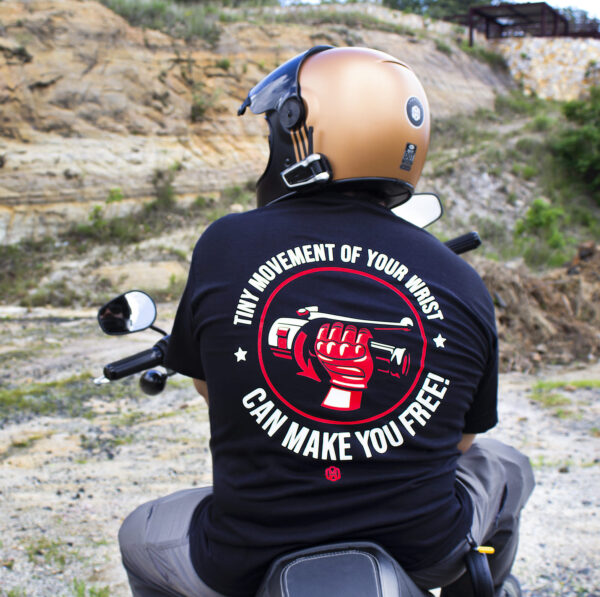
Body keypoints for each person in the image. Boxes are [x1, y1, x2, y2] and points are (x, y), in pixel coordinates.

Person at [117, 46, 534, 597]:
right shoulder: (460, 280)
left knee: (138, 535)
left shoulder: (226, 242)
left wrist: (316, 382)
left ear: (298, 128)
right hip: (427, 549)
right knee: (508, 466)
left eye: (274, 129)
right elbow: (465, 438)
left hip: (244, 554)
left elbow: (213, 387)